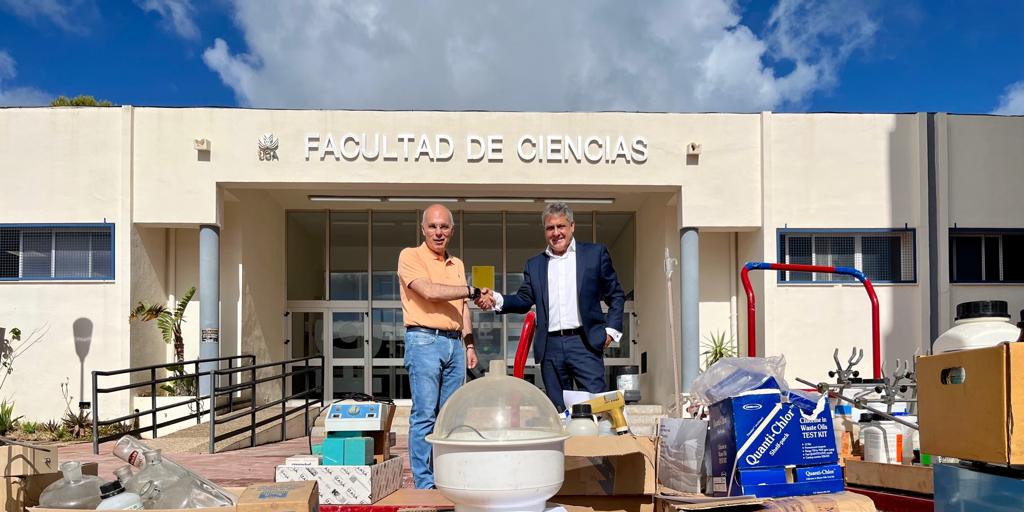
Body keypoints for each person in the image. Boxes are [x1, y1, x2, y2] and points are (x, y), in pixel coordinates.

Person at [476, 202, 625, 411]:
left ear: (572, 226)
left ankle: (592, 445)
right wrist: (497, 299)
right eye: (550, 228)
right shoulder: (535, 264)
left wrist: (610, 332)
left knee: (596, 409)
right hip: (551, 348)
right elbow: (523, 299)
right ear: (545, 231)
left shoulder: (595, 254)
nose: (556, 233)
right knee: (558, 412)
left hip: (585, 343)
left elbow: (616, 295)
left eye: (561, 226)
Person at [398, 204, 482, 489]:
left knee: (449, 416)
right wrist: (472, 289)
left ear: (452, 231)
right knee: (425, 414)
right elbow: (430, 293)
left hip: (454, 344)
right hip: (424, 340)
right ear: (423, 229)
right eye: (433, 226)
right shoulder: (410, 256)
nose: (438, 232)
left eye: (444, 227)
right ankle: (424, 483)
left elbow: (463, 307)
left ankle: (446, 476)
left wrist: (469, 344)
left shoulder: (456, 264)